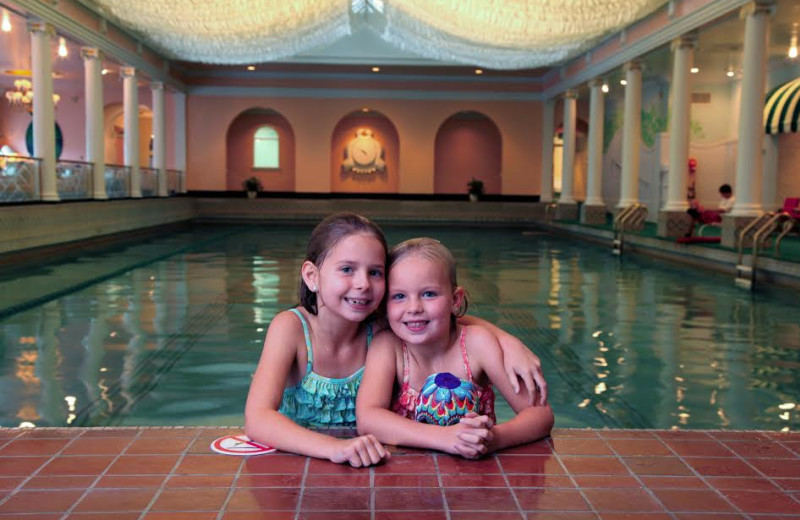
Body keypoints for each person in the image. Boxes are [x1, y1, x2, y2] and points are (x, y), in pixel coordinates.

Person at [245, 213, 548, 467]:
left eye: (375, 272)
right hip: (300, 461)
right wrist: (332, 448)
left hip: (371, 464)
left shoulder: (380, 326)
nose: (363, 284)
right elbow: (257, 419)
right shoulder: (291, 329)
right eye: (347, 269)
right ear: (312, 276)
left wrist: (508, 341)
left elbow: (444, 321)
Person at [356, 238, 554, 458]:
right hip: (407, 475)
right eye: (399, 296)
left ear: (455, 299)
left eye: (429, 294)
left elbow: (540, 414)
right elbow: (368, 418)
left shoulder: (477, 344)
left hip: (473, 476)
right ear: (385, 304)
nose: (414, 308)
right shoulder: (388, 347)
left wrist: (495, 438)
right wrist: (444, 438)